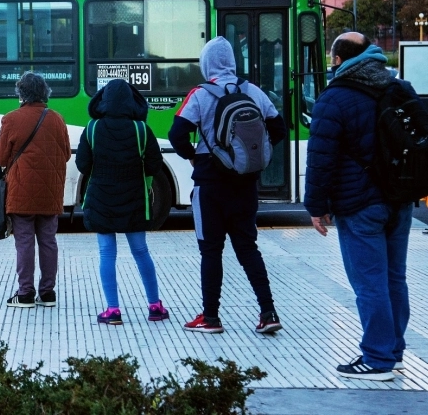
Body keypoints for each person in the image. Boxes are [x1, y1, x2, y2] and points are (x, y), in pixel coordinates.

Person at [305, 32, 414, 381]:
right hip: (400, 199)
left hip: (359, 203)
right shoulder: (399, 88)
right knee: (394, 277)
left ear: (337, 61)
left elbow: (322, 157)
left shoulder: (335, 97)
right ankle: (393, 352)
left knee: (369, 282)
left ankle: (378, 358)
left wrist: (316, 205)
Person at [168, 36, 286, 334]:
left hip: (210, 184)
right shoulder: (253, 91)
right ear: (233, 61)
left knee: (211, 250)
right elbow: (279, 128)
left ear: (206, 64)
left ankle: (210, 318)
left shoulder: (200, 94)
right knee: (248, 248)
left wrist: (194, 156)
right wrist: (252, 156)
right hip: (245, 182)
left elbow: (177, 134)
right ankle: (268, 312)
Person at [75, 79, 169, 325]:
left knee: (107, 253)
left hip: (101, 198)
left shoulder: (93, 128)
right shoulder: (141, 130)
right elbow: (154, 165)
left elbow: (83, 165)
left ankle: (113, 310)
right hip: (134, 198)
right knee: (140, 251)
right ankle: (155, 306)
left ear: (103, 101)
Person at [0, 72, 70, 308]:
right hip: (50, 191)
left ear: (21, 94)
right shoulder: (57, 119)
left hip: (21, 191)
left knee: (24, 241)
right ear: (44, 92)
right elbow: (66, 154)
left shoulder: (11, 119)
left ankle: (25, 293)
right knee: (48, 241)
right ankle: (48, 293)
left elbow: (1, 157)